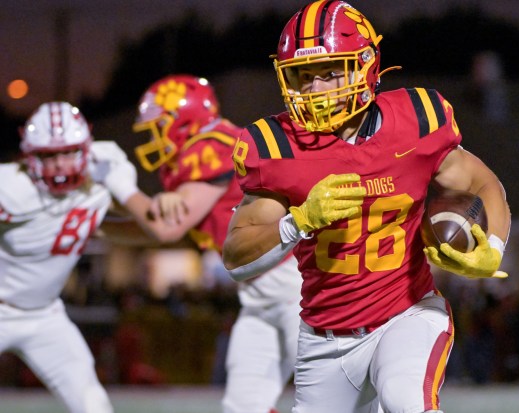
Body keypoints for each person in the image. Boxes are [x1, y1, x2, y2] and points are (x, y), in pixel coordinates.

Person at [222, 2, 511, 412]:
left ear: (365, 66)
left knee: (406, 401)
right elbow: (236, 254)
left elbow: (483, 182)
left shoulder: (416, 120)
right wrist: (298, 221)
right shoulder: (275, 146)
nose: (315, 89)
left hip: (405, 316)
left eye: (329, 72)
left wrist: (493, 248)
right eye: (303, 76)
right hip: (324, 339)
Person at [103, 75, 302, 413]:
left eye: (158, 126)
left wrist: (122, 188)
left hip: (297, 284)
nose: (153, 136)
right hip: (261, 293)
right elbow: (161, 228)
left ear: (184, 120)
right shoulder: (199, 150)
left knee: (335, 396)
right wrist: (98, 226)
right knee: (244, 404)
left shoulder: (211, 145)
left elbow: (168, 226)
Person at [0, 101, 140, 413]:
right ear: (30, 156)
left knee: (93, 404)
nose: (61, 165)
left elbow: (142, 219)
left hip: (45, 315)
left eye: (68, 152)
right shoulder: (10, 186)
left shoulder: (104, 171)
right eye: (49, 155)